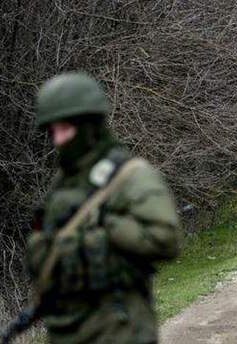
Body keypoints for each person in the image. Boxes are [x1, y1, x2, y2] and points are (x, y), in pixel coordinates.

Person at [25, 72, 182, 343]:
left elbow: (166, 239)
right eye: (53, 131)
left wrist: (105, 223)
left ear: (90, 125)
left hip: (119, 329)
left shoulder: (130, 175)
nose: (59, 140)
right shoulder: (62, 184)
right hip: (65, 330)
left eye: (66, 129)